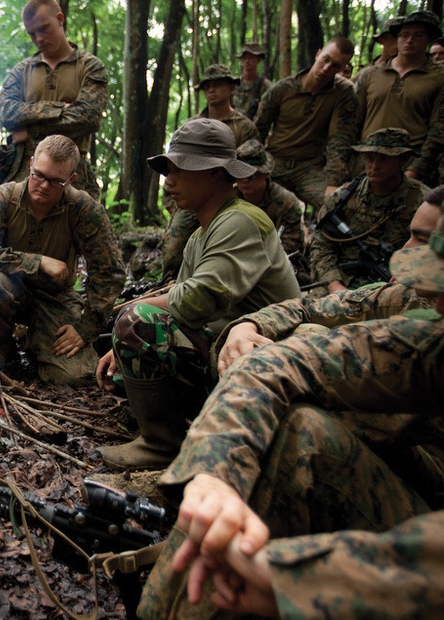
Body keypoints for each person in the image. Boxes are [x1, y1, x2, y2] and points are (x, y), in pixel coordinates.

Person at [136, 214, 444, 619]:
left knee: (305, 432)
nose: (436, 304)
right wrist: (215, 475)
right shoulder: (424, 324)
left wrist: (301, 579)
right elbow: (282, 363)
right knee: (299, 391)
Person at [95, 118, 300, 469]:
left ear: (216, 173)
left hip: (263, 358)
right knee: (126, 357)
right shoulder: (200, 234)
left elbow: (194, 301)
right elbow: (183, 303)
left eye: (181, 170)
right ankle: (179, 421)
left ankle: (161, 445)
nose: (169, 180)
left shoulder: (240, 221)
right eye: (168, 169)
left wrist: (131, 318)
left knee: (137, 324)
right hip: (224, 348)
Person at [215, 183, 443, 377]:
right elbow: (308, 307)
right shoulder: (404, 295)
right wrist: (248, 326)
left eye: (422, 241)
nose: (406, 249)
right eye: (410, 236)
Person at [0, 134, 125, 385]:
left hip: (53, 297)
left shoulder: (84, 210)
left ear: (71, 179)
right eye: (39, 175)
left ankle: (38, 341)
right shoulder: (3, 198)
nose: (44, 186)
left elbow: (109, 272)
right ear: (31, 164)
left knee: (72, 377)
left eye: (56, 181)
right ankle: (1, 342)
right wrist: (37, 262)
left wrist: (85, 328)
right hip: (6, 289)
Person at [0, 0, 107, 200]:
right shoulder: (22, 71)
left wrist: (30, 130)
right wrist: (60, 109)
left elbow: (88, 118)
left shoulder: (90, 67)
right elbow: (6, 113)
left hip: (72, 171)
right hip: (26, 172)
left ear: (59, 19)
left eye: (44, 29)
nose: (38, 39)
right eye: (32, 34)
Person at [161, 64, 261, 276]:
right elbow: (174, 165)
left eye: (218, 85)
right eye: (207, 86)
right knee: (173, 251)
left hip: (231, 196)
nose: (211, 90)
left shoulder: (244, 127)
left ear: (232, 88)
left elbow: (254, 165)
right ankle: (170, 285)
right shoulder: (191, 125)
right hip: (193, 195)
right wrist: (172, 201)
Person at [310, 127, 429, 293]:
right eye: (369, 158)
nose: (374, 166)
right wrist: (335, 286)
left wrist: (407, 274)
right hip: (342, 280)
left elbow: (432, 253)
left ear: (403, 159)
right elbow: (322, 248)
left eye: (383, 159)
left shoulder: (423, 204)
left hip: (397, 284)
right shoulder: (341, 199)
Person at [254, 37, 358, 212]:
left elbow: (339, 140)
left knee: (338, 207)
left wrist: (333, 183)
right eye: (326, 59)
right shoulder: (282, 89)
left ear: (342, 69)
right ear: (318, 54)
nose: (326, 68)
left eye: (335, 66)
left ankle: (318, 238)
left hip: (309, 168)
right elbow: (258, 130)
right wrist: (253, 168)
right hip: (275, 162)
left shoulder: (343, 93)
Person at [355, 10, 444, 187]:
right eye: (404, 35)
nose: (409, 40)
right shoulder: (371, 75)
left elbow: (439, 129)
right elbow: (353, 121)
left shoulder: (439, 77)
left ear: (428, 39)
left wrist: (416, 170)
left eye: (417, 35)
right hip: (368, 162)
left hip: (410, 162)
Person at [232, 139, 306, 263]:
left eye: (251, 175)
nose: (244, 180)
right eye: (240, 174)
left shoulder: (286, 203)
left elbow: (291, 246)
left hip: (274, 263)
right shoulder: (227, 198)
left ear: (265, 174)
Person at [351, 16, 403, 81]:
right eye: (394, 37)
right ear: (382, 40)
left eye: (404, 36)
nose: (399, 42)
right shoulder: (367, 72)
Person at [232, 42, 271, 121]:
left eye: (251, 58)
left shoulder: (265, 85)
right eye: (244, 58)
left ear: (258, 60)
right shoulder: (233, 84)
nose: (247, 61)